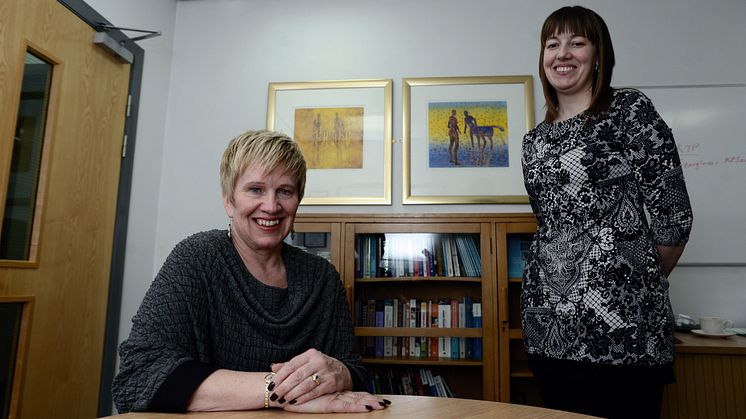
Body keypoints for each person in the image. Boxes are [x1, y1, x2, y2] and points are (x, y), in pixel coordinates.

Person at [112, 130, 389, 414]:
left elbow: (354, 373)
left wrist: (340, 372)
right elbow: (138, 378)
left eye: (285, 191)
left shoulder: (322, 277)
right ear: (229, 200)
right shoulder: (196, 258)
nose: (271, 206)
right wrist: (283, 392)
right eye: (255, 189)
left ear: (298, 201)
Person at [520, 6, 693, 419]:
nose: (563, 53)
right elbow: (550, 226)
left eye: (577, 42)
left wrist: (632, 281)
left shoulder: (629, 111)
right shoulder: (534, 142)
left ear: (599, 55)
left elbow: (673, 217)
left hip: (626, 332)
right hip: (549, 329)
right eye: (552, 44)